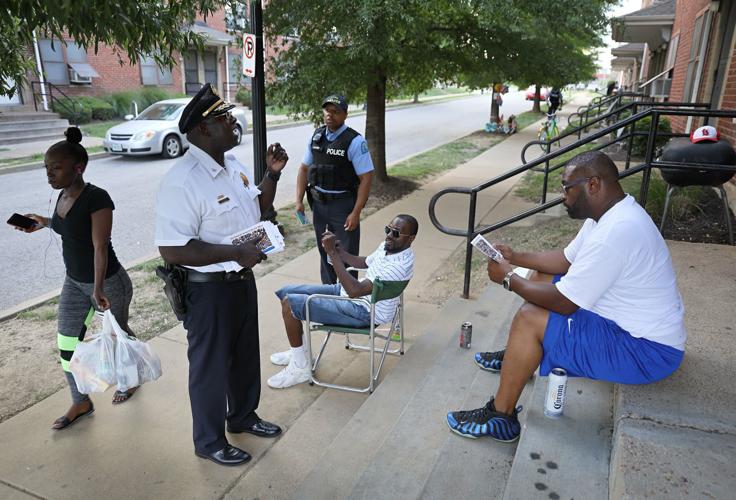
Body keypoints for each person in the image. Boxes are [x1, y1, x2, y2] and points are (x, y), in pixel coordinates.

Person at [447, 151, 686, 442]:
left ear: (593, 185)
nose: (563, 195)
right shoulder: (609, 215)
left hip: (646, 351)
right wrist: (517, 257)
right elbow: (565, 261)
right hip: (630, 327)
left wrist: (508, 278)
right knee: (541, 276)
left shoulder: (618, 232)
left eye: (567, 187)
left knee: (529, 319)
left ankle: (501, 416)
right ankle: (517, 357)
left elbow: (564, 302)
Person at [154, 83, 288, 467]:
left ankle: (243, 416)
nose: (232, 122)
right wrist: (235, 253)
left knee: (245, 357)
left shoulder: (233, 166)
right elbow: (173, 248)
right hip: (207, 291)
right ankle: (209, 440)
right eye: (223, 118)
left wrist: (273, 175)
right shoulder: (182, 181)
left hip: (240, 282)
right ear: (201, 130)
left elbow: (257, 206)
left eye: (229, 116)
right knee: (211, 367)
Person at [16, 127, 135, 430]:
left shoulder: (98, 199)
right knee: (67, 344)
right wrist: (41, 223)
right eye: (47, 168)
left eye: (55, 168)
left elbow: (99, 246)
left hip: (108, 282)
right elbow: (66, 227)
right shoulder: (62, 195)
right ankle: (80, 401)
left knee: (117, 337)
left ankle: (131, 379)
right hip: (74, 283)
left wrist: (97, 289)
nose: (49, 174)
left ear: (78, 168)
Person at [267, 214, 418, 389]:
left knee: (289, 303)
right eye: (388, 229)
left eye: (396, 233)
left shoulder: (398, 267)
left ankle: (300, 367)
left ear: (411, 238)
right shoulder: (389, 248)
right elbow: (364, 262)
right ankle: (300, 354)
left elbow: (355, 291)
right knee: (286, 291)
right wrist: (341, 252)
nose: (389, 236)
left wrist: (332, 253)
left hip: (364, 311)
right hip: (353, 297)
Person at [295, 94, 374, 284]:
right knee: (324, 251)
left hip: (343, 207)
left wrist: (356, 212)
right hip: (319, 207)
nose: (330, 115)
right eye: (327, 111)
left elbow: (366, 178)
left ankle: (347, 298)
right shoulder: (317, 136)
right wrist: (298, 200)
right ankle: (329, 293)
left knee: (345, 255)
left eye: (335, 112)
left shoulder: (354, 141)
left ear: (345, 115)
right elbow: (304, 168)